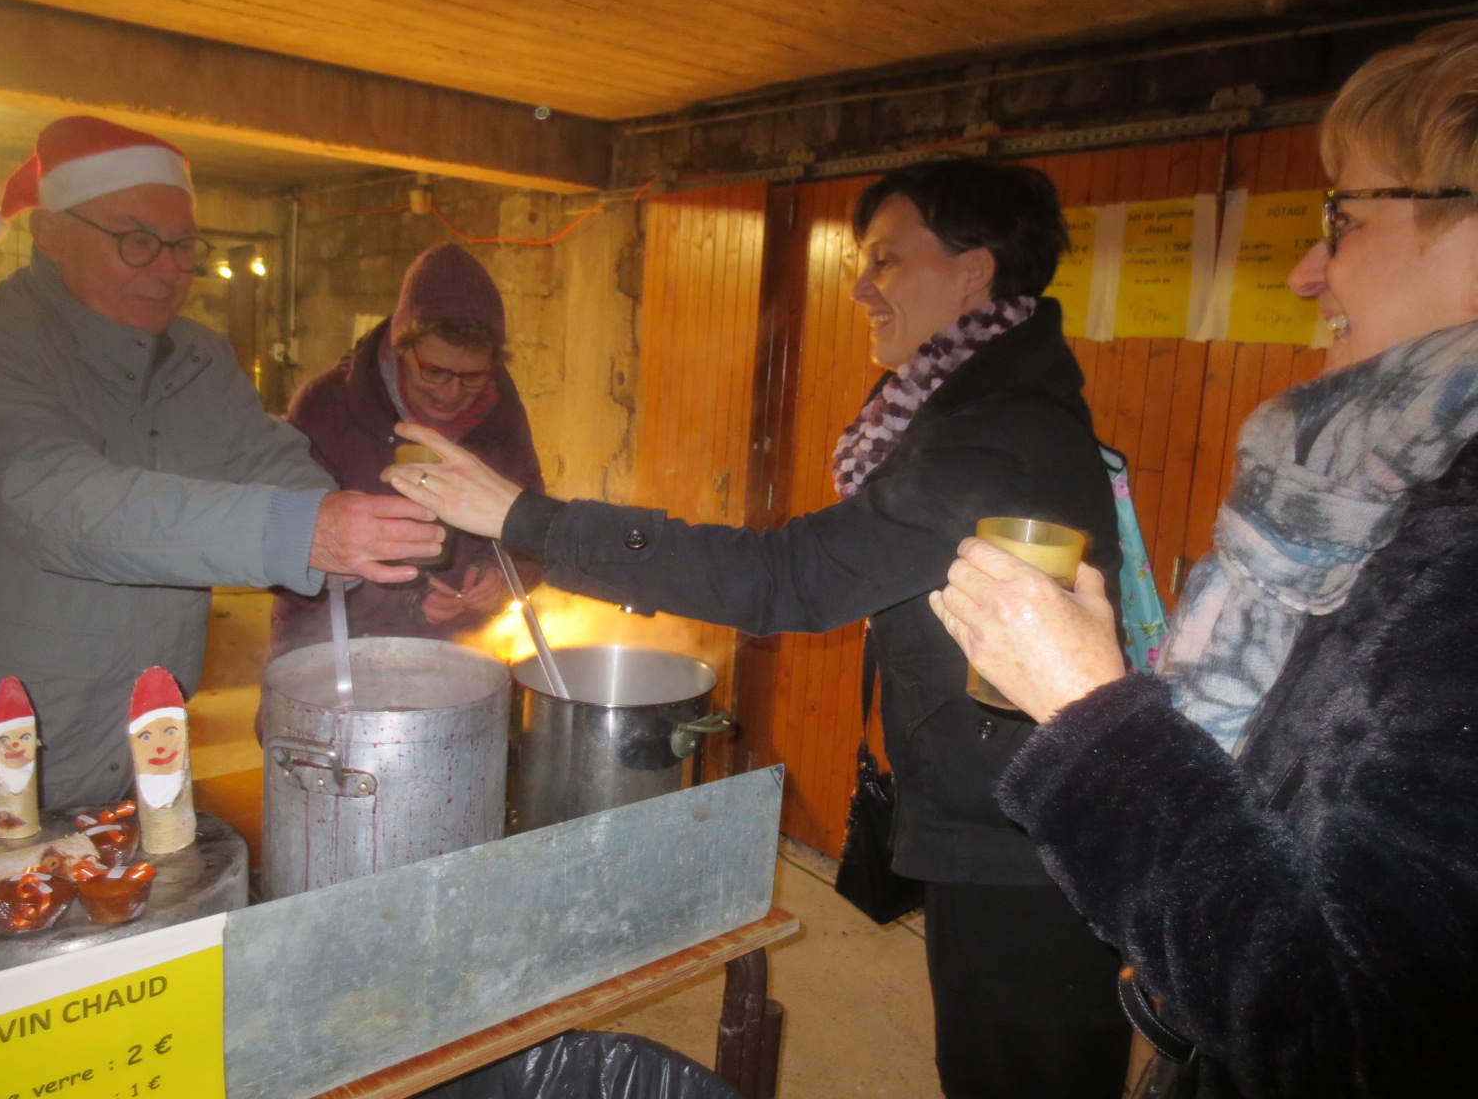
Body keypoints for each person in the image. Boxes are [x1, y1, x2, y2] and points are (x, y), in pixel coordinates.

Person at [386, 160, 1133, 1099]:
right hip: (1006, 800)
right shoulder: (971, 407)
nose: (861, 286)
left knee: (1024, 1069)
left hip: (1026, 829)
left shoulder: (995, 435)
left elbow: (790, 581)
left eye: (887, 261)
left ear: (975, 272)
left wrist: (527, 519)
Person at [930, 21, 1478, 1098]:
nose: (1306, 269)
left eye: (1343, 213)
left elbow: (1354, 1045)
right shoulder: (1391, 498)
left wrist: (1091, 713)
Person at [0, 116, 441, 811]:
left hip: (138, 743)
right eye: (137, 241)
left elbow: (267, 458)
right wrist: (303, 531)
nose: (170, 270)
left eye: (182, 245)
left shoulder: (199, 359)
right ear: (49, 232)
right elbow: (64, 506)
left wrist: (370, 544)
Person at [269, 243, 544, 657]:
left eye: (473, 377)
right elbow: (278, 543)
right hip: (335, 657)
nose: (452, 393)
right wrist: (407, 598)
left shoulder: (500, 418)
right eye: (434, 372)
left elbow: (532, 525)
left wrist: (502, 575)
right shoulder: (328, 407)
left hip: (455, 658)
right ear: (401, 347)